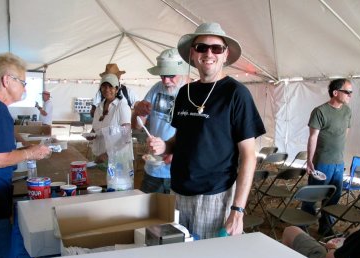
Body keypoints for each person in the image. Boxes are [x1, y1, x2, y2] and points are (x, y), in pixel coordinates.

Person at [148, 23, 266, 239]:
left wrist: (238, 210)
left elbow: (249, 156)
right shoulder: (185, 92)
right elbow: (180, 138)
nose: (208, 53)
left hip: (214, 195)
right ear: (193, 54)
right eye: (201, 47)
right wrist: (165, 146)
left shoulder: (236, 94)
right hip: (178, 191)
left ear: (225, 54)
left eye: (216, 48)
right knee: (179, 254)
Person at [0, 53, 51, 258]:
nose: (25, 87)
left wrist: (17, 139)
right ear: (7, 80)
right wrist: (30, 152)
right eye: (22, 81)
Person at [131, 48, 189, 194]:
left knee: (175, 216)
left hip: (180, 171)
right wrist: (137, 112)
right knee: (147, 213)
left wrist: (178, 152)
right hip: (154, 168)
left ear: (182, 71)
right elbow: (137, 126)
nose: (165, 81)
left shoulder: (191, 92)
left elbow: (200, 135)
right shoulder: (156, 88)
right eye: (162, 76)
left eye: (170, 76)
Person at [301, 78, 352, 236]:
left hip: (338, 162)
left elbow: (346, 132)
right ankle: (302, 226)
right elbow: (313, 137)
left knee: (333, 199)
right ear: (335, 92)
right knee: (312, 195)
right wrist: (310, 160)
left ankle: (325, 227)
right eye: (347, 92)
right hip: (322, 162)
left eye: (351, 92)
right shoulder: (320, 111)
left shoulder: (347, 111)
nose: (350, 95)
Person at [90, 73, 132, 163]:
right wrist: (91, 135)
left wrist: (107, 154)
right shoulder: (99, 107)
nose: (107, 89)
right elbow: (94, 129)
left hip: (117, 160)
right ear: (100, 89)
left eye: (111, 87)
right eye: (104, 86)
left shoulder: (122, 106)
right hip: (99, 157)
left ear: (117, 89)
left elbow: (126, 136)